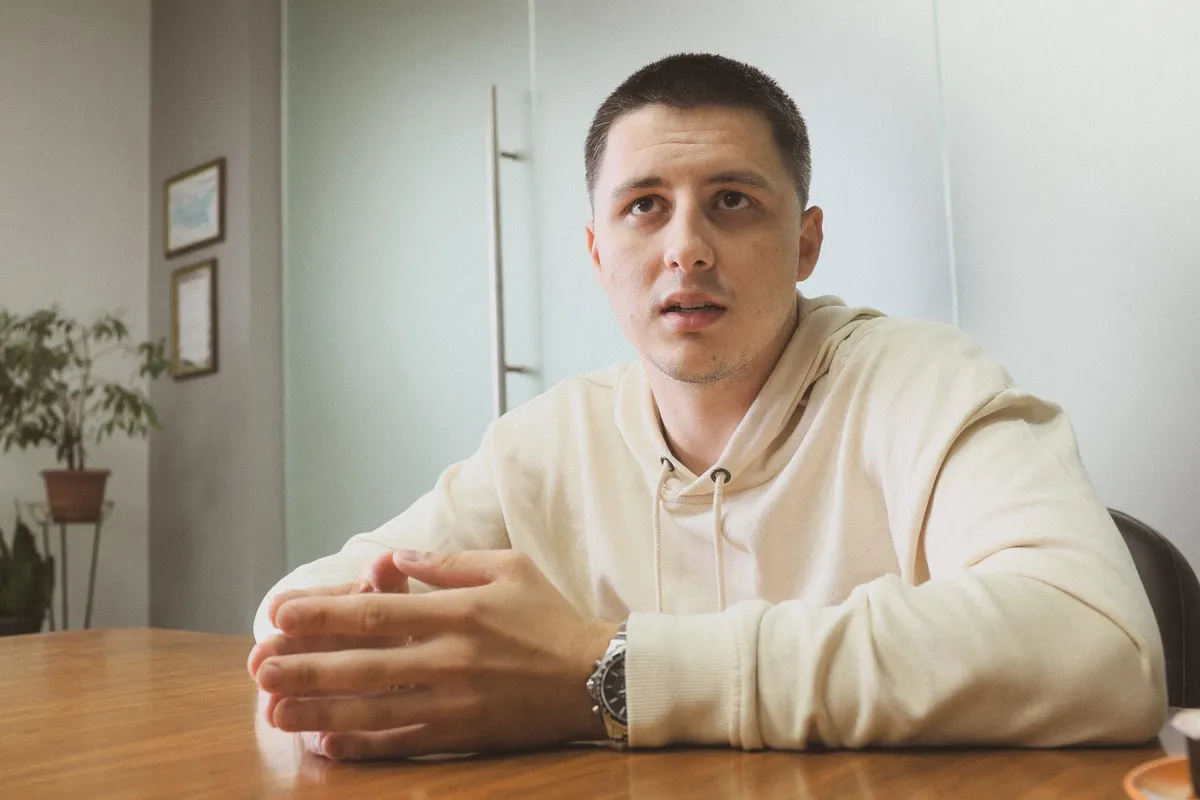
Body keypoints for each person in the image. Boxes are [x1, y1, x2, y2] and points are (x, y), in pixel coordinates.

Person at [247, 53, 1165, 761]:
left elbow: (1101, 649)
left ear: (805, 243)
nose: (686, 248)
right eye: (645, 207)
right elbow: (296, 614)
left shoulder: (923, 381)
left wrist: (607, 673)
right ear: (598, 253)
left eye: (731, 201)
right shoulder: (546, 441)